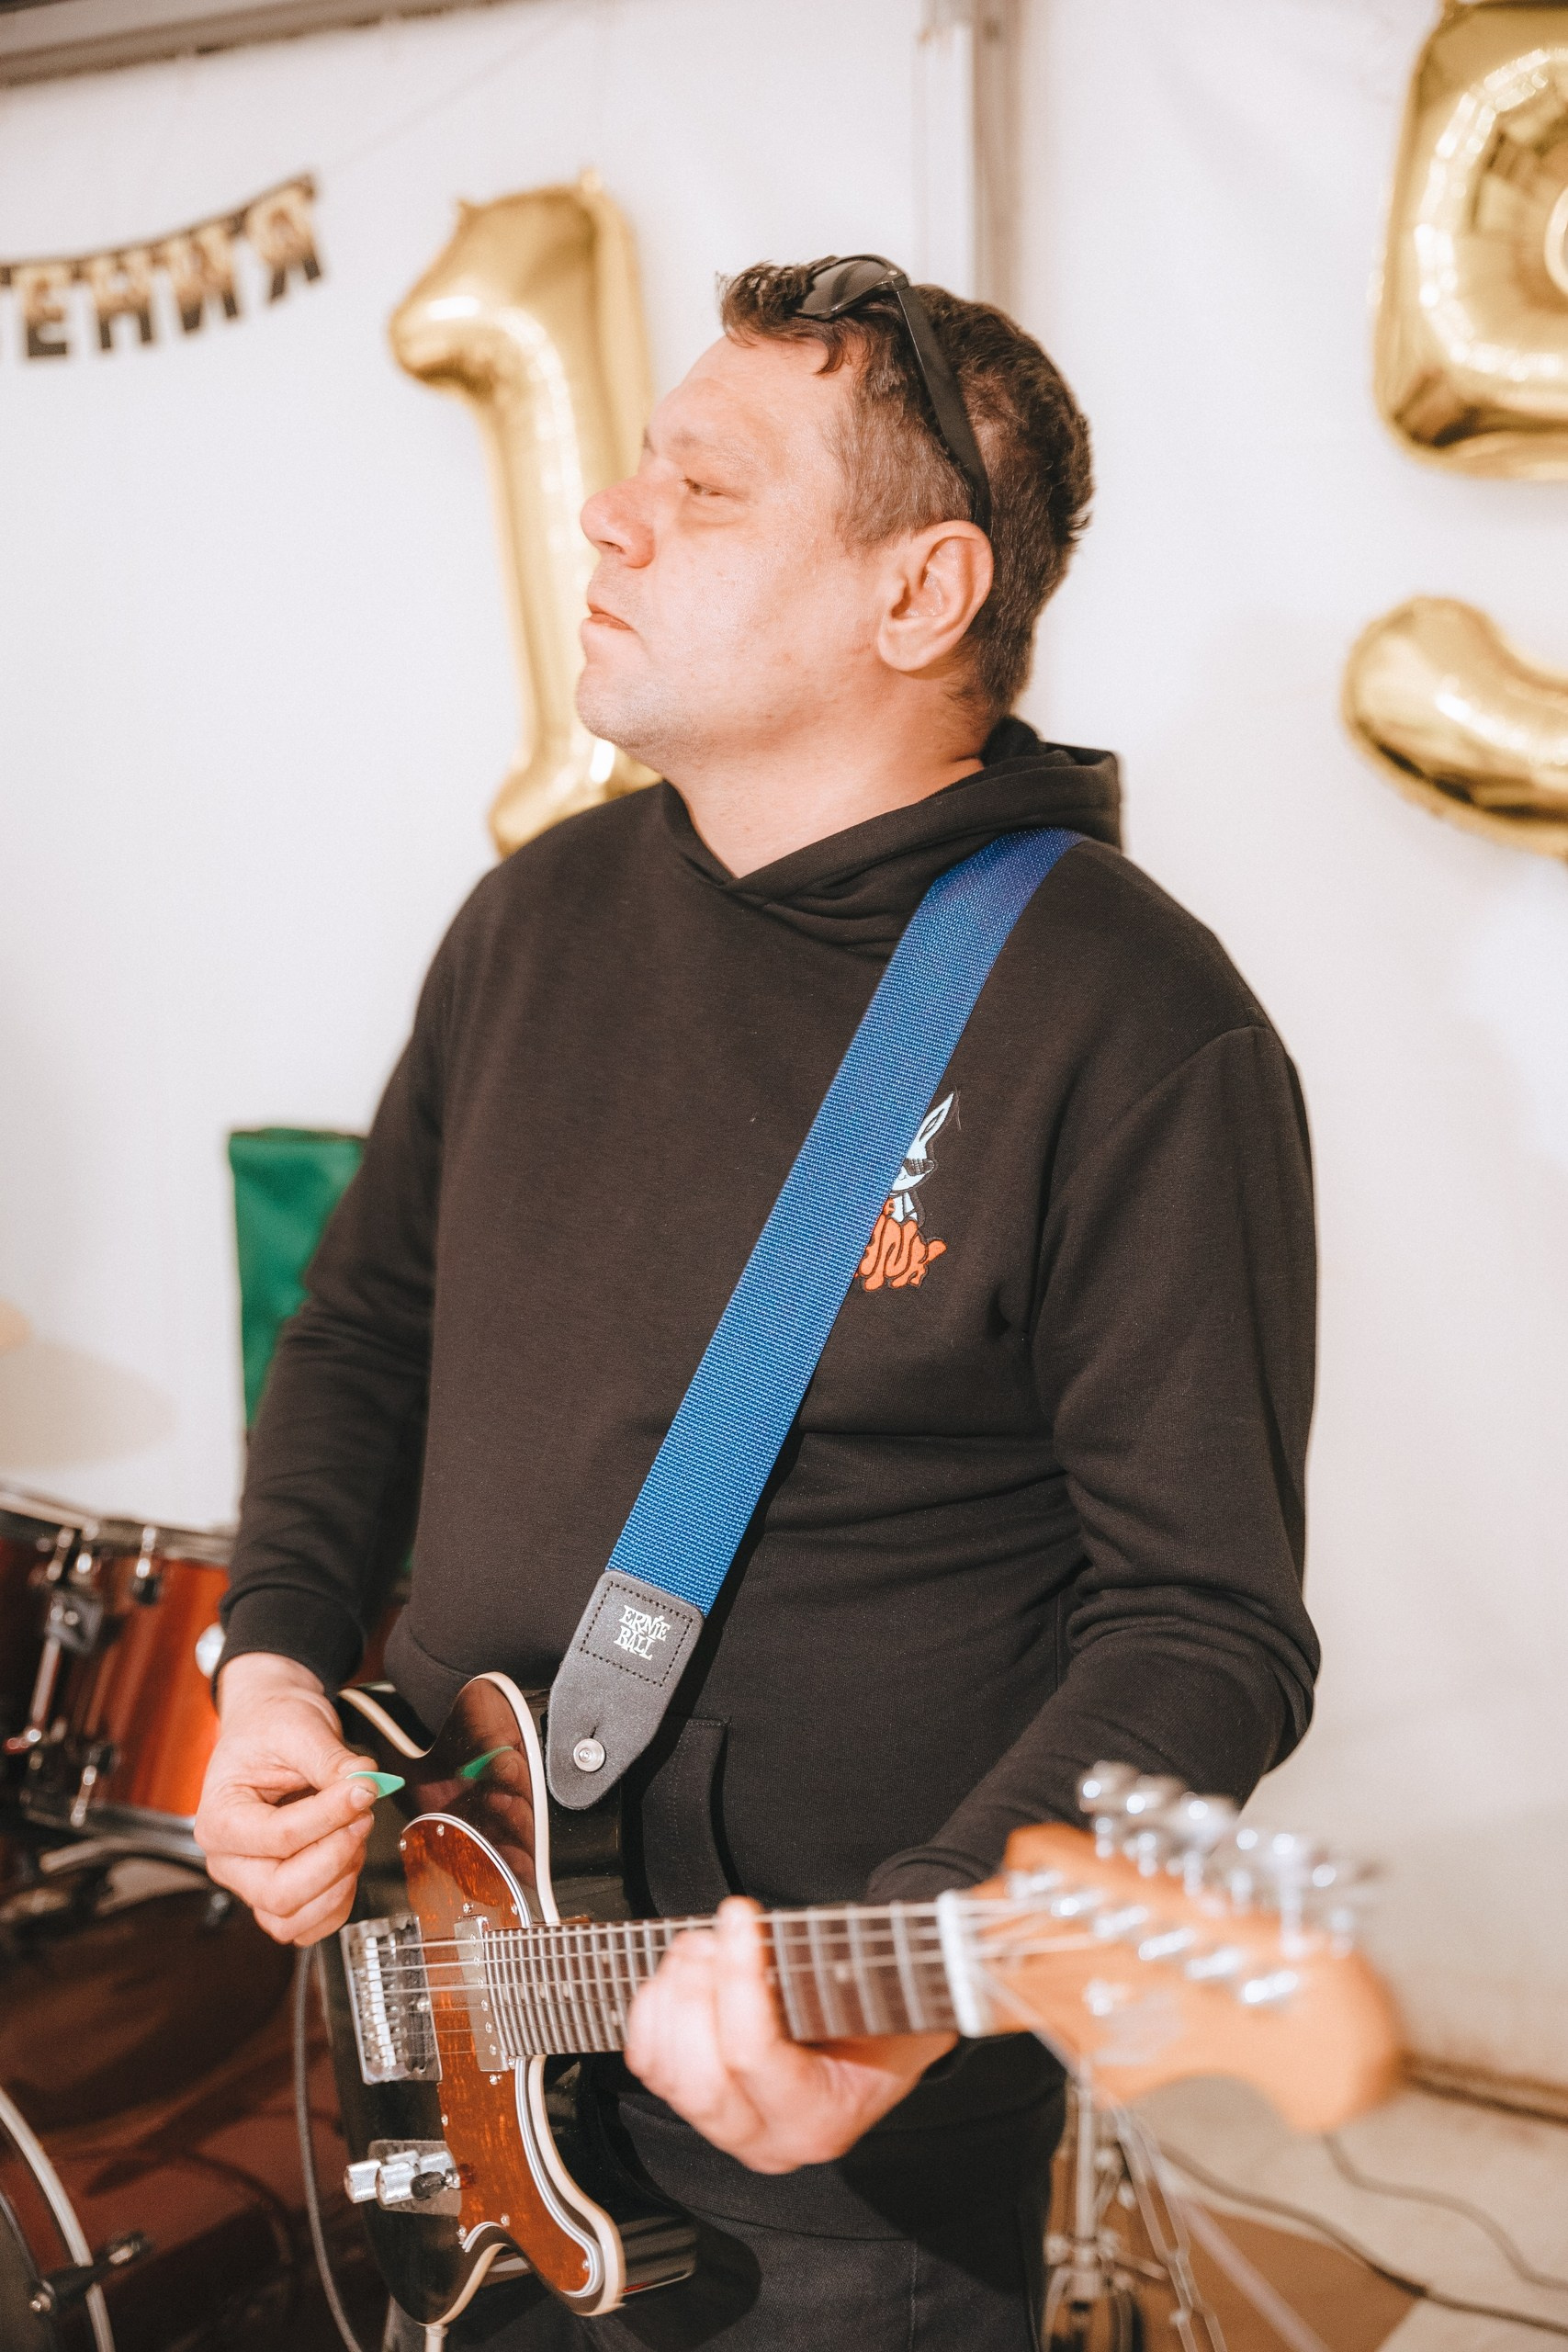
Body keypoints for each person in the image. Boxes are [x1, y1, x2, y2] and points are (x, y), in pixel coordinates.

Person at [196, 256, 1320, 2350]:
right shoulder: (533, 913)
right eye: (637, 468)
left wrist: (906, 1990)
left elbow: (1206, 1628)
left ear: (918, 593)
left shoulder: (1133, 1024)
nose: (609, 517)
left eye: (702, 489)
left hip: (836, 2148)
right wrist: (270, 1664)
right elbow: (360, 1330)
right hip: (440, 1987)